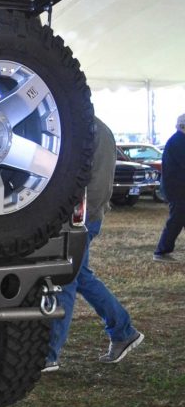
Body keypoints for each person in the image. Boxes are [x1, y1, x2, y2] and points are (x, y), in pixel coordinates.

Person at [44, 117, 144, 371]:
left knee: (65, 278)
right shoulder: (101, 129)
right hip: (88, 217)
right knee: (81, 277)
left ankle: (49, 354)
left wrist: (73, 220)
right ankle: (123, 330)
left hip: (77, 220)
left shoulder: (79, 128)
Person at [153, 113, 185, 262]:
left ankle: (163, 250)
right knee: (176, 219)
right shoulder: (179, 141)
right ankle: (161, 251)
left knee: (178, 218)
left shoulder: (178, 140)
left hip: (177, 188)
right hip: (178, 189)